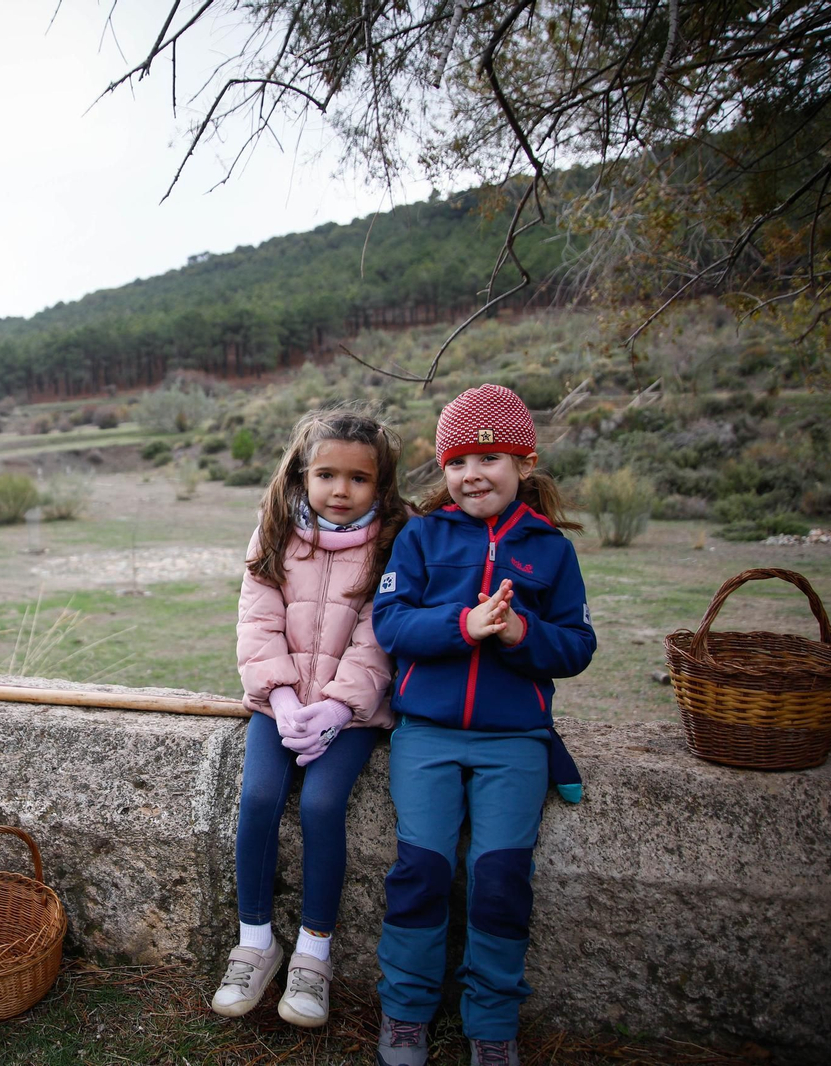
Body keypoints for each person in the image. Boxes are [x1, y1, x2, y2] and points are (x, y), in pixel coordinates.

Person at [371, 383, 595, 1066]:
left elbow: (576, 646)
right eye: (457, 462)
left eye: (489, 458)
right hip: (426, 737)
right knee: (421, 870)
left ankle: (492, 1024)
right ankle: (405, 1013)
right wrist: (463, 625)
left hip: (515, 743)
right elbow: (390, 624)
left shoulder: (551, 550)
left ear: (525, 463)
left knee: (500, 879)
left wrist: (522, 633)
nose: (472, 474)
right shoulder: (420, 536)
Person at [213, 408, 411, 1028]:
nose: (340, 490)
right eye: (326, 474)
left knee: (323, 806)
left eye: (359, 478)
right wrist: (281, 699)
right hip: (280, 705)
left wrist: (337, 706)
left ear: (380, 484)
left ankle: (313, 955)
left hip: (349, 713)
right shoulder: (274, 532)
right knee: (258, 798)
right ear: (302, 474)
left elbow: (380, 635)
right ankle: (255, 944)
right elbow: (258, 621)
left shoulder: (394, 542)